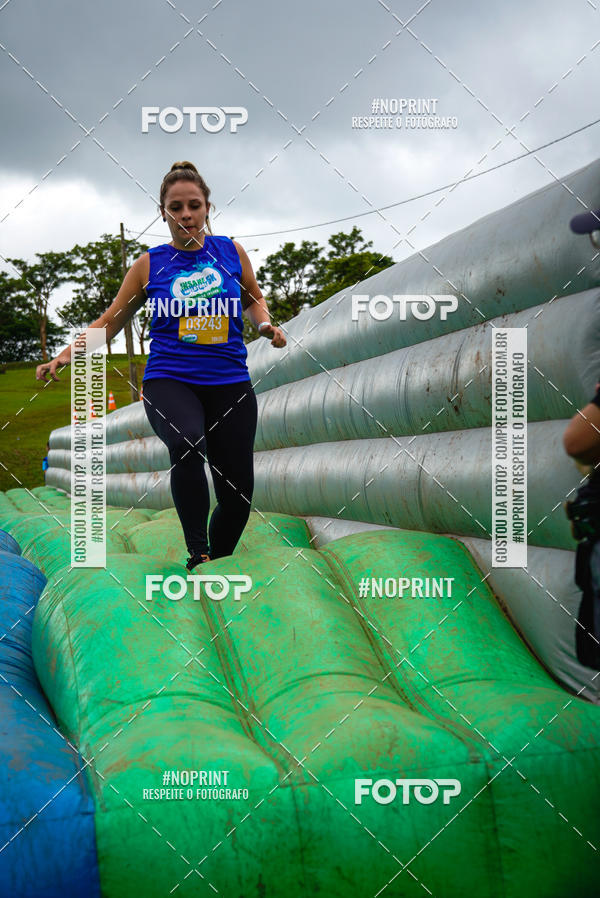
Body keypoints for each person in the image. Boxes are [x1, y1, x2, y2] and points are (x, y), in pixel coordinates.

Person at [36, 160, 286, 570]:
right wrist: (65, 354)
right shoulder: (149, 265)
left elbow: (253, 299)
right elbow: (110, 321)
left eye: (193, 205)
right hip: (170, 380)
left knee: (238, 496)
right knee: (187, 442)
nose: (185, 215)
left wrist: (265, 325)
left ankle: (213, 565)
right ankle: (197, 550)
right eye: (176, 207)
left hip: (229, 382)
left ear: (208, 208)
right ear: (163, 212)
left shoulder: (231, 252)